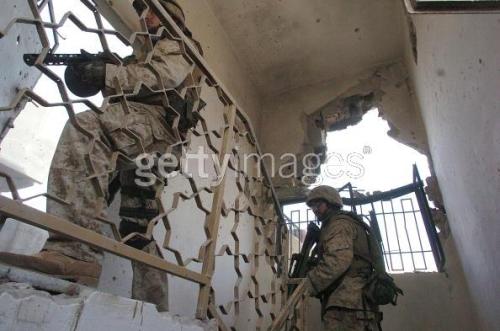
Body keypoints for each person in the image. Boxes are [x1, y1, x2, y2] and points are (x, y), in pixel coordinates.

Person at [0, 0, 204, 312]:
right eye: (141, 10)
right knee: (137, 227)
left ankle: (72, 254)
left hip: (157, 131)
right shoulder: (141, 51)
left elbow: (161, 77)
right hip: (147, 142)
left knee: (85, 127)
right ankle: (155, 308)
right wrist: (107, 68)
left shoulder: (178, 42)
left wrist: (108, 72)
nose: (144, 16)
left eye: (152, 9)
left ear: (171, 15)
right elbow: (129, 84)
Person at [304, 185, 381, 331]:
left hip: (347, 302)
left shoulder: (339, 225)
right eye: (312, 206)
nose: (315, 210)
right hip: (352, 302)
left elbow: (337, 261)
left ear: (331, 203)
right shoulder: (338, 224)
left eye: (318, 205)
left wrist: (308, 284)